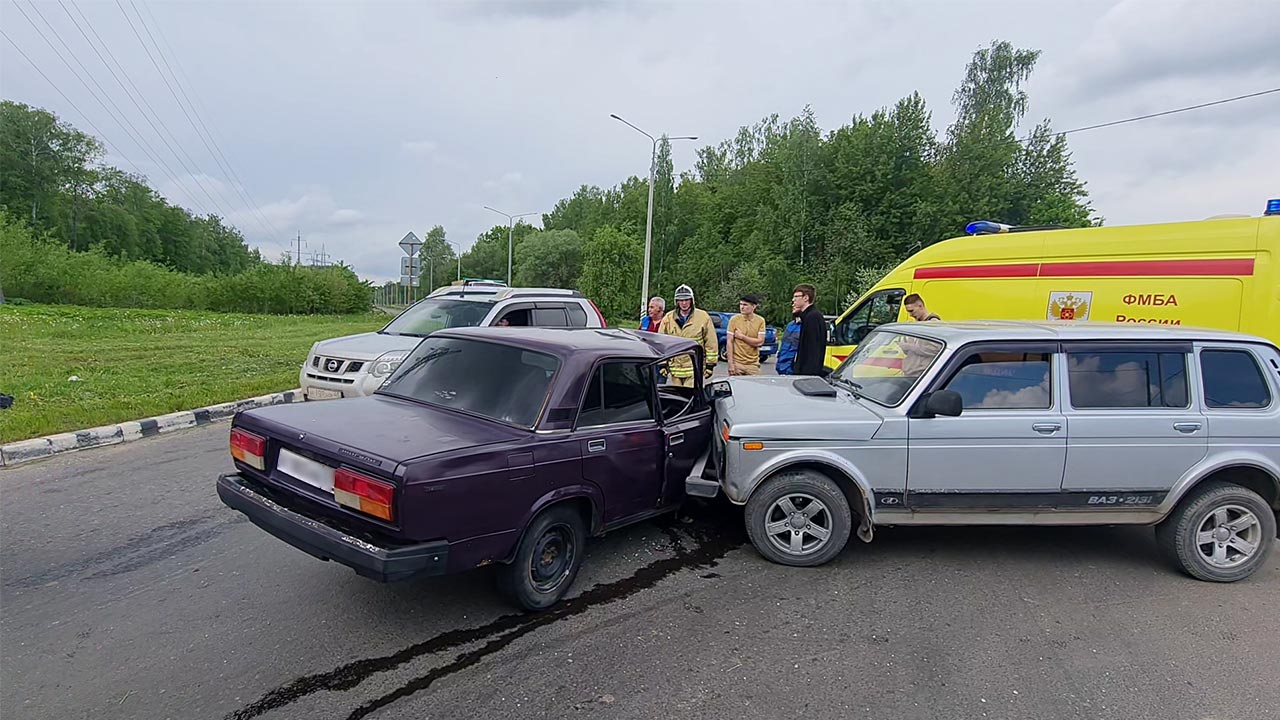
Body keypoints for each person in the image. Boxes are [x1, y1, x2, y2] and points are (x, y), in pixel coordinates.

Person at [658, 284, 717, 386]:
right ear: (676, 302)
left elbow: (711, 342)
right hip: (675, 368)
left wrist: (710, 365)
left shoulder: (703, 317)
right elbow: (661, 342)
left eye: (686, 300)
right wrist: (662, 364)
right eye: (681, 300)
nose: (684, 303)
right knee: (678, 398)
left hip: (694, 367)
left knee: (690, 397)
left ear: (692, 300)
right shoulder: (668, 318)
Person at [791, 283, 829, 376]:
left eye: (796, 296)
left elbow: (813, 349)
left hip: (808, 373)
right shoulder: (808, 316)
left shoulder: (812, 317)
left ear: (806, 298)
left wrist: (807, 374)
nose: (793, 300)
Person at [727, 294, 767, 376]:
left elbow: (760, 342)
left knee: (754, 387)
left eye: (745, 305)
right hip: (737, 363)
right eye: (741, 304)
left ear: (753, 306)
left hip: (753, 364)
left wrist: (742, 337)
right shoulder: (734, 320)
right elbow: (729, 342)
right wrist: (731, 364)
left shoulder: (760, 321)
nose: (742, 307)